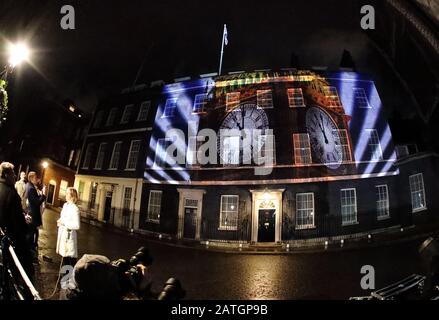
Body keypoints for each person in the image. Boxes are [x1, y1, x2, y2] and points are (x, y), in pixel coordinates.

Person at [0, 162, 35, 294]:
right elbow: (18, 224)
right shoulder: (11, 193)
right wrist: (26, 223)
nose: (15, 176)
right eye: (13, 173)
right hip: (10, 238)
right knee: (24, 268)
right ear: (7, 174)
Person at [56, 187, 80, 267]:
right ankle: (65, 278)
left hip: (69, 238)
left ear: (72, 196)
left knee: (70, 261)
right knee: (64, 258)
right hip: (63, 235)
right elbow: (63, 217)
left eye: (67, 193)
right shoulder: (65, 205)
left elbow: (77, 225)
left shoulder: (75, 208)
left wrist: (64, 223)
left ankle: (70, 278)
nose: (65, 195)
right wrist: (60, 221)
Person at [25, 171, 46, 255]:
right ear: (31, 178)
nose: (37, 179)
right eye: (35, 177)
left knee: (32, 231)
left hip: (31, 212)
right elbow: (37, 202)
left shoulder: (30, 186)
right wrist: (43, 195)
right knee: (31, 232)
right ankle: (27, 250)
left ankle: (29, 248)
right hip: (33, 213)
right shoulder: (31, 188)